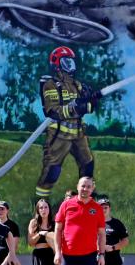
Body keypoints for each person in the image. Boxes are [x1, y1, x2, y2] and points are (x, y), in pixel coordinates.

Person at [34, 47, 101, 198]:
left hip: (78, 134)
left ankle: (87, 197)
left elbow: (87, 107)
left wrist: (91, 102)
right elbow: (52, 110)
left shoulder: (77, 85)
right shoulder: (51, 84)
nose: (70, 65)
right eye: (66, 61)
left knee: (87, 164)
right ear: (57, 64)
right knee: (52, 171)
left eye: (71, 61)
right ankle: (41, 200)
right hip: (60, 135)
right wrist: (74, 109)